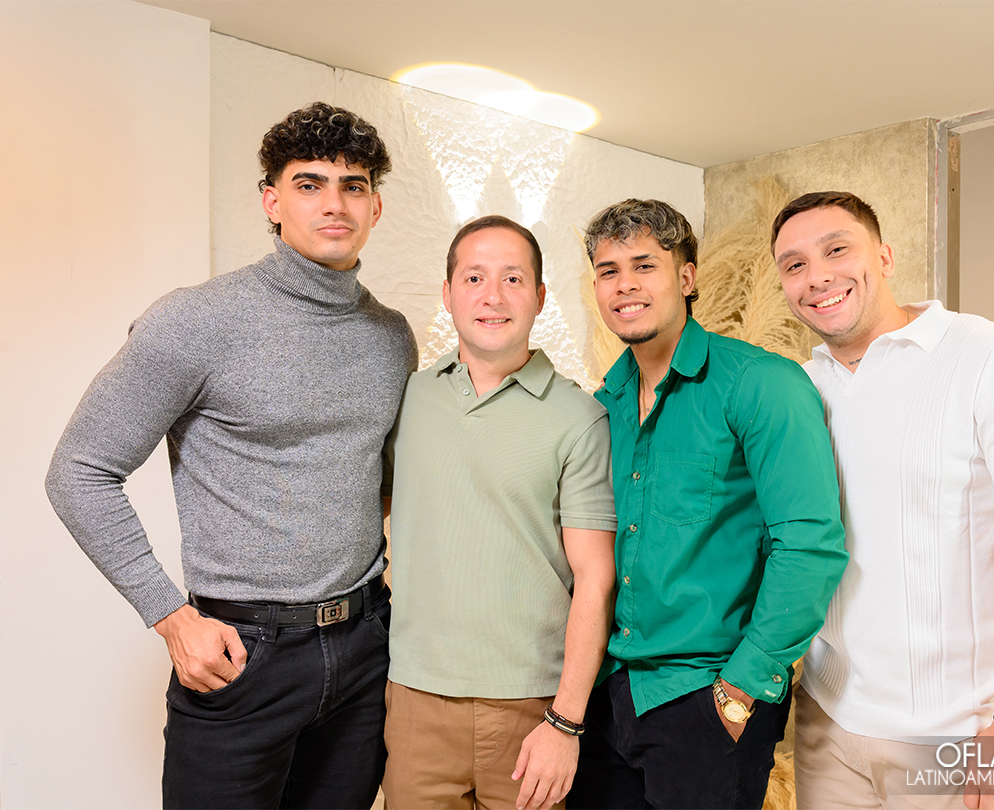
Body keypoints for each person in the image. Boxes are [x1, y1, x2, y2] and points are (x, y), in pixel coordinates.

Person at [45, 101, 417, 809]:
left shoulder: (392, 337)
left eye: (354, 185)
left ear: (375, 206)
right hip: (242, 655)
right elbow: (80, 472)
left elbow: (377, 478)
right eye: (309, 184)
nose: (333, 203)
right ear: (272, 202)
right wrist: (171, 617)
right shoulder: (197, 319)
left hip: (367, 644)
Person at [772, 190, 994, 810]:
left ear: (884, 257)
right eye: (794, 265)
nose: (817, 276)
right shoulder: (802, 386)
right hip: (826, 722)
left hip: (959, 735)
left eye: (837, 250)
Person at [567, 198, 848, 810]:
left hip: (708, 700)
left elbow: (810, 545)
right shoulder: (604, 403)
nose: (625, 285)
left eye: (645, 265)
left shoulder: (761, 383)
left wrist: (741, 688)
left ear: (687, 277)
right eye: (609, 271)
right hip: (611, 696)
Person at [381, 215, 617, 810]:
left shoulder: (580, 418)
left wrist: (565, 721)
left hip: (532, 709)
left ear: (539, 296)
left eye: (513, 278)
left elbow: (595, 577)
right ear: (448, 294)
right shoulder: (407, 398)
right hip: (414, 699)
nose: (493, 296)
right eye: (474, 277)